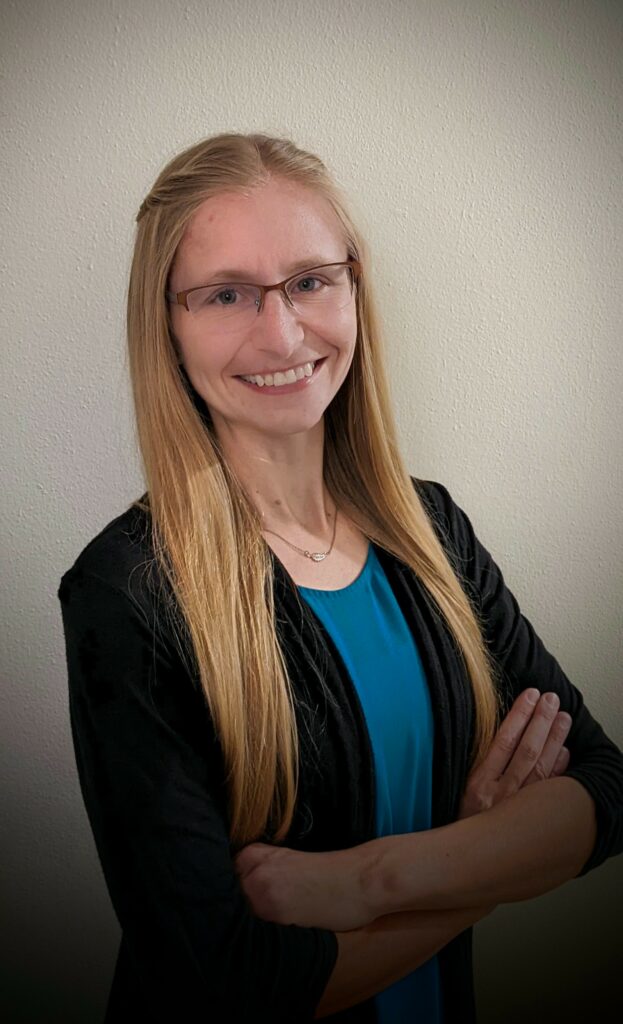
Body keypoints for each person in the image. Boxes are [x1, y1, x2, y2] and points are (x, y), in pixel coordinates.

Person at [58, 132, 623, 1024]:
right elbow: (227, 978)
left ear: (354, 287)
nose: (280, 332)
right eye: (226, 295)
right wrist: (492, 858)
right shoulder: (125, 592)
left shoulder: (431, 530)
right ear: (164, 322)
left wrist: (374, 879)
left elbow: (602, 789)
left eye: (311, 280)